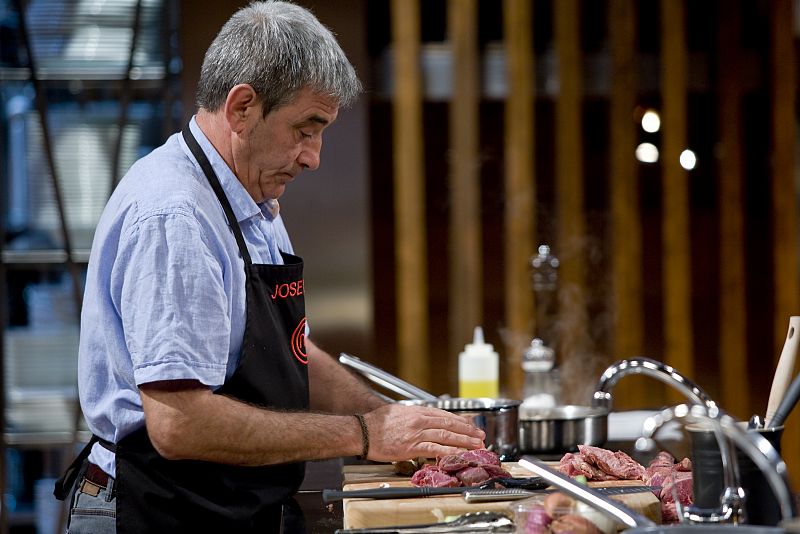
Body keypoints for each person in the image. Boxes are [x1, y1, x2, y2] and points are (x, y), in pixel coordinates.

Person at [54, 2, 486, 532]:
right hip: (157, 510)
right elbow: (179, 423)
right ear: (241, 108)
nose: (314, 157)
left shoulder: (248, 200)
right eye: (306, 129)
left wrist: (385, 417)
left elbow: (292, 351)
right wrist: (364, 434)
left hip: (221, 506)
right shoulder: (176, 216)